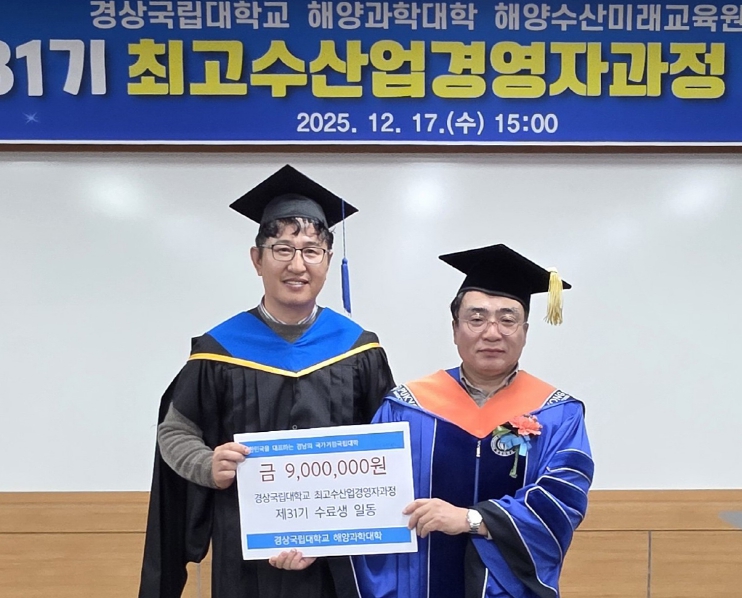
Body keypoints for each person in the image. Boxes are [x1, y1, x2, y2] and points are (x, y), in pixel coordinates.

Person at [138, 164, 395, 598]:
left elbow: (389, 442)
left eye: (311, 250)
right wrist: (207, 465)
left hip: (339, 553)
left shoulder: (359, 350)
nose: (297, 264)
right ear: (257, 259)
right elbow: (176, 432)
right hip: (245, 551)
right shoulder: (219, 350)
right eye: (282, 249)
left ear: (328, 260)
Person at [353, 244, 593, 598]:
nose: (492, 332)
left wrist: (471, 520)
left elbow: (562, 501)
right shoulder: (406, 407)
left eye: (507, 319)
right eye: (477, 319)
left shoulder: (558, 414)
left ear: (525, 330)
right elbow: (368, 499)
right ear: (455, 329)